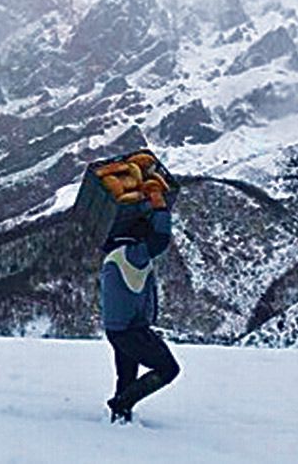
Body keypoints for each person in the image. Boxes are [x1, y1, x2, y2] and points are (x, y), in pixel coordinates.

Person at [99, 181, 180, 424]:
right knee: (168, 369)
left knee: (126, 377)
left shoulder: (116, 254)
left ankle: (120, 421)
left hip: (118, 329)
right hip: (131, 330)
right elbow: (161, 239)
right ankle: (121, 405)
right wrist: (158, 203)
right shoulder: (130, 254)